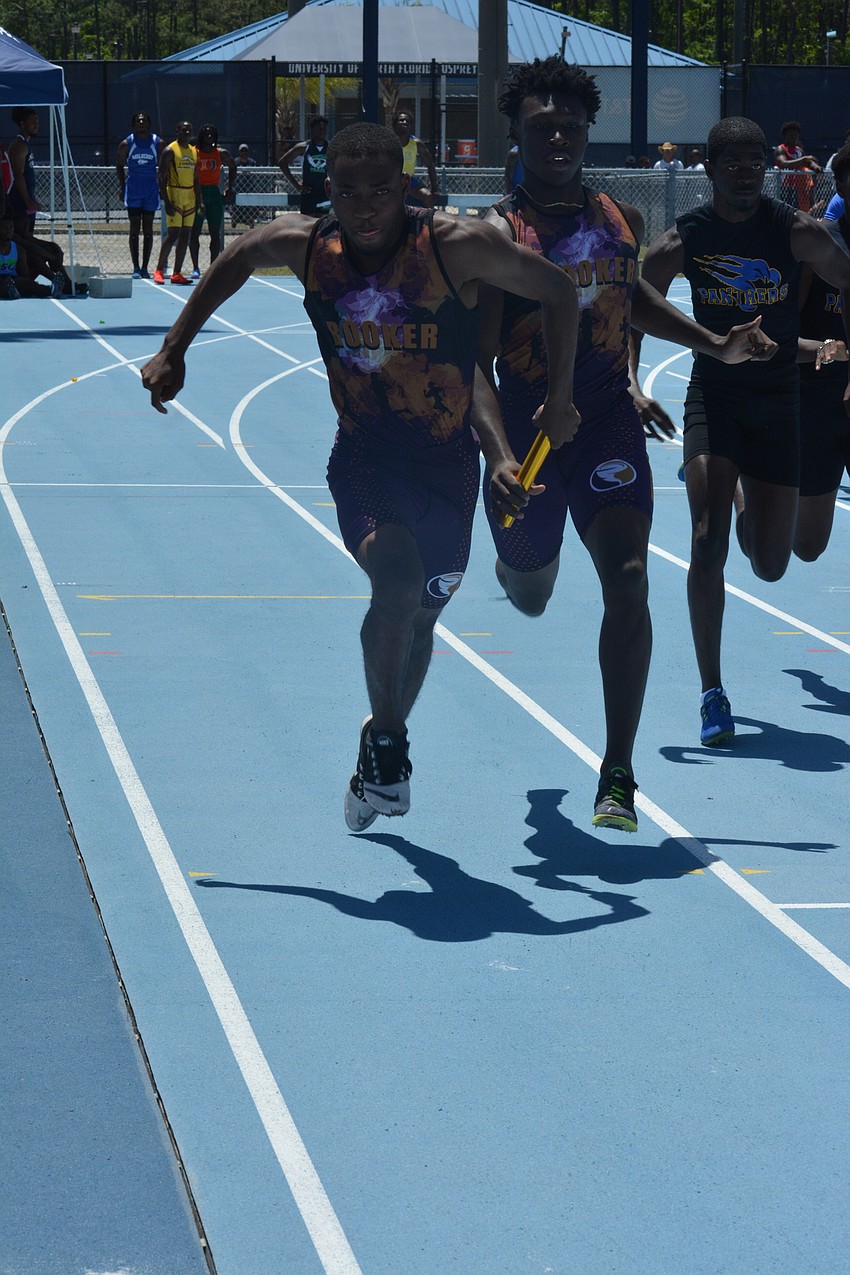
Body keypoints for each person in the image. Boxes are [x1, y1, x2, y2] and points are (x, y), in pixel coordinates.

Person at [140, 123, 582, 831]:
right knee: (398, 585)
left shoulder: (451, 247)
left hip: (446, 466)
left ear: (405, 187)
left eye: (380, 190)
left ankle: (379, 733)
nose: (365, 205)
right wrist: (175, 348)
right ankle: (388, 742)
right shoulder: (313, 248)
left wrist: (549, 408)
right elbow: (241, 253)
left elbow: (558, 292)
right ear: (330, 192)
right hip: (364, 456)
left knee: (422, 617)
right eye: (348, 192)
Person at [474, 59, 777, 834]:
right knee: (532, 590)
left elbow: (629, 296)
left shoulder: (617, 217)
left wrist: (715, 342)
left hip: (605, 420)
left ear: (587, 133)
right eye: (542, 126)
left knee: (631, 579)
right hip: (532, 438)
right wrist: (498, 453)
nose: (559, 137)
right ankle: (515, 563)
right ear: (516, 135)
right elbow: (471, 365)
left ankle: (618, 769)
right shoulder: (495, 236)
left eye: (571, 126)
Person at [631, 116, 850, 748]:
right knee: (707, 540)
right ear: (710, 169)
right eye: (734, 162)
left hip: (780, 401)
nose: (747, 171)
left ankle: (746, 493)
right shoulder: (686, 237)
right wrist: (633, 383)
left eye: (756, 161)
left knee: (773, 565)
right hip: (716, 397)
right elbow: (635, 307)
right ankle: (712, 691)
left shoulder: (796, 232)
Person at [794, 141, 850, 562]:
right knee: (808, 546)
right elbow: (782, 333)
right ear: (841, 186)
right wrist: (832, 350)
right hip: (819, 400)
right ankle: (739, 475)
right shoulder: (817, 244)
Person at [115, 110, 163, 278]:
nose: (141, 123)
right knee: (134, 228)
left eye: (144, 121)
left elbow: (165, 166)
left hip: (150, 187)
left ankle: (145, 267)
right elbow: (119, 165)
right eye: (138, 121)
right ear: (133, 124)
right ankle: (135, 267)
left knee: (148, 229)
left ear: (149, 124)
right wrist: (122, 187)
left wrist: (162, 187)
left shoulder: (157, 142)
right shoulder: (127, 143)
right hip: (134, 187)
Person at [152, 121, 200, 286]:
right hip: (175, 193)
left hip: (190, 195)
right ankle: (159, 269)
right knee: (173, 234)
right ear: (177, 131)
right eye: (184, 130)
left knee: (185, 236)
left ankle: (177, 273)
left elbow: (195, 178)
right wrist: (167, 201)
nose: (187, 132)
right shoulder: (170, 150)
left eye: (189, 130)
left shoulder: (194, 151)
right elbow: (161, 177)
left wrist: (199, 201)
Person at [189, 124, 235, 277]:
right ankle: (195, 267)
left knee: (215, 233)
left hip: (214, 193)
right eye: (207, 134)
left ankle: (212, 267)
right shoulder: (194, 152)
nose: (209, 137)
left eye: (212, 134)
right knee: (194, 232)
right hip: (197, 192)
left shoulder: (220, 153)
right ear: (201, 136)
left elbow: (233, 165)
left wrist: (229, 187)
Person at [279, 116, 330, 218]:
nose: (322, 131)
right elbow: (282, 162)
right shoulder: (303, 147)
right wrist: (296, 185)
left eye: (324, 128)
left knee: (323, 221)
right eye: (319, 128)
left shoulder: (331, 148)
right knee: (308, 222)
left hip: (324, 191)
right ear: (312, 130)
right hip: (308, 190)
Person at [0, 212, 58, 298]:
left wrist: (28, 283)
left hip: (12, 280)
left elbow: (24, 274)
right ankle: (9, 291)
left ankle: (50, 290)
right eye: (5, 228)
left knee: (25, 283)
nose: (8, 231)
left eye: (11, 228)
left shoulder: (18, 249)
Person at [392, 111, 439, 208]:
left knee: (428, 197)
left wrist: (434, 188)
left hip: (408, 180)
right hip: (391, 180)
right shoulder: (388, 142)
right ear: (395, 124)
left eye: (407, 121)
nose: (405, 122)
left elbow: (430, 164)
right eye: (401, 120)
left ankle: (425, 222)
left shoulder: (416, 143)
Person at [774, 120, 821, 212]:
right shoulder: (780, 149)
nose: (794, 137)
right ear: (785, 136)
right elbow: (784, 163)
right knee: (786, 211)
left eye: (796, 135)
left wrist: (815, 166)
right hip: (786, 187)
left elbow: (807, 163)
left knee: (799, 212)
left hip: (800, 187)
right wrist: (804, 159)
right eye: (791, 135)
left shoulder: (799, 150)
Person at [7, 107, 40, 238]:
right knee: (23, 238)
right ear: (22, 123)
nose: (36, 125)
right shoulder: (19, 145)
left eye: (37, 121)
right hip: (19, 202)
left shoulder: (25, 144)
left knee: (29, 236)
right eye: (32, 121)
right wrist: (27, 200)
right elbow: (18, 174)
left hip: (26, 201)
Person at [231, 143, 257, 229]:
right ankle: (233, 227)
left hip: (249, 188)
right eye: (242, 151)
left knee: (249, 210)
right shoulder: (236, 162)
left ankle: (251, 226)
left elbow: (255, 176)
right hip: (238, 187)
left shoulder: (252, 162)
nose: (244, 153)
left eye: (245, 150)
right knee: (236, 209)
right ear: (239, 152)